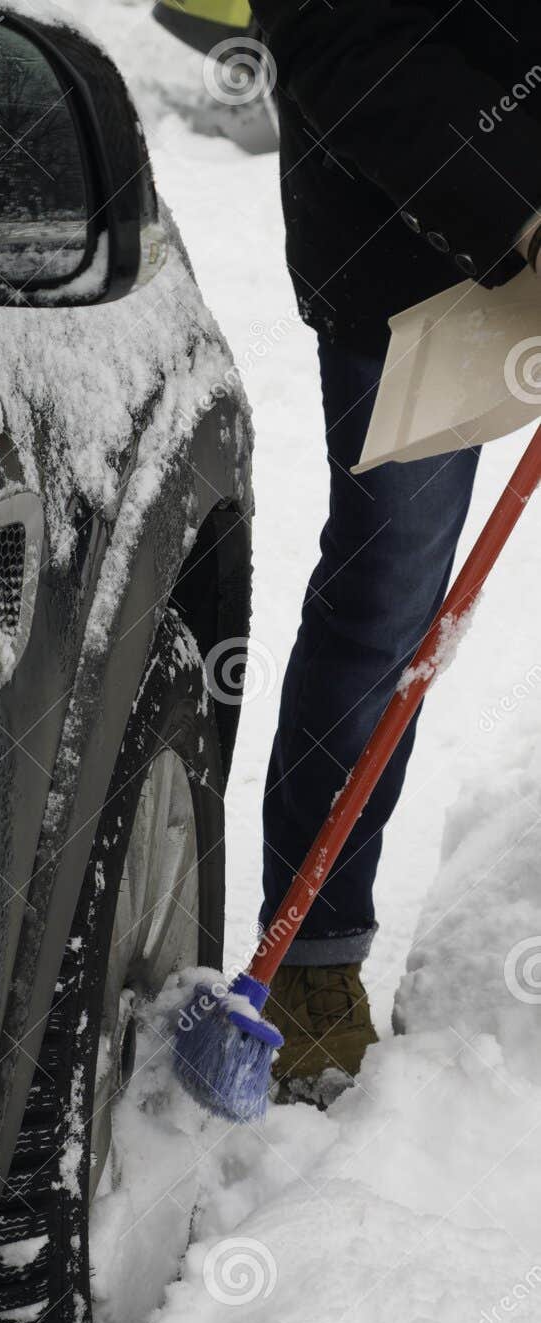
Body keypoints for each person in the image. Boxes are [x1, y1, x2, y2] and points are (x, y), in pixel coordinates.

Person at [248, 0, 541, 1089]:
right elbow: (346, 44)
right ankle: (310, 962)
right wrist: (521, 203)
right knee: (388, 604)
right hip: (417, 270)